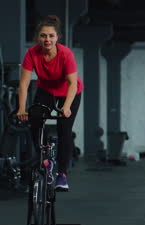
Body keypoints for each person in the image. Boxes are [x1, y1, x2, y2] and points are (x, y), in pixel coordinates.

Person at [17, 15, 83, 191]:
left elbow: (72, 83)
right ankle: (45, 160)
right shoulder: (31, 53)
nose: (47, 40)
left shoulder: (65, 54)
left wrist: (66, 107)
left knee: (64, 128)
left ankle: (62, 175)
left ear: (57, 37)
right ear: (38, 37)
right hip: (46, 90)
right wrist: (22, 109)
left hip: (70, 92)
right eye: (43, 36)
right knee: (35, 119)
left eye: (51, 36)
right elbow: (23, 84)